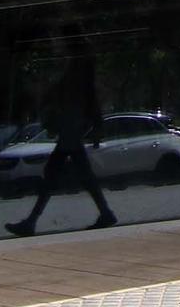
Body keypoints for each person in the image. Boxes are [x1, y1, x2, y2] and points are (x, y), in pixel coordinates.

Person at [6, 23, 117, 236]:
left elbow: (86, 94)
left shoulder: (80, 62)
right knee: (75, 173)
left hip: (73, 124)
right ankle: (104, 212)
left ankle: (31, 222)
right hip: (73, 123)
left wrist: (93, 122)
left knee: (55, 173)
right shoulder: (78, 62)